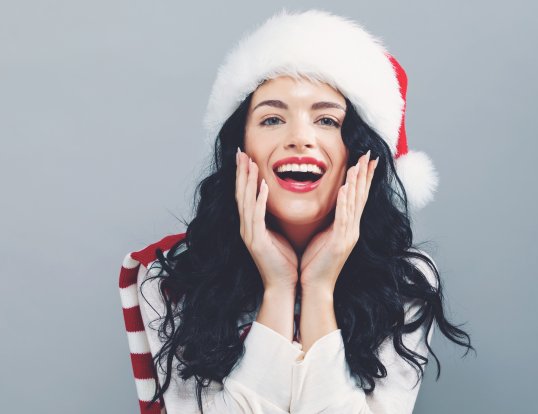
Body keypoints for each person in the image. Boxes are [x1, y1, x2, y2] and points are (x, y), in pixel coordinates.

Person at [118, 8, 474, 414]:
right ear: (241, 150)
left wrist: (319, 291)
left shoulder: (405, 281)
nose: (299, 138)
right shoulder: (168, 277)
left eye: (326, 119)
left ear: (359, 153)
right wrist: (279, 289)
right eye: (271, 118)